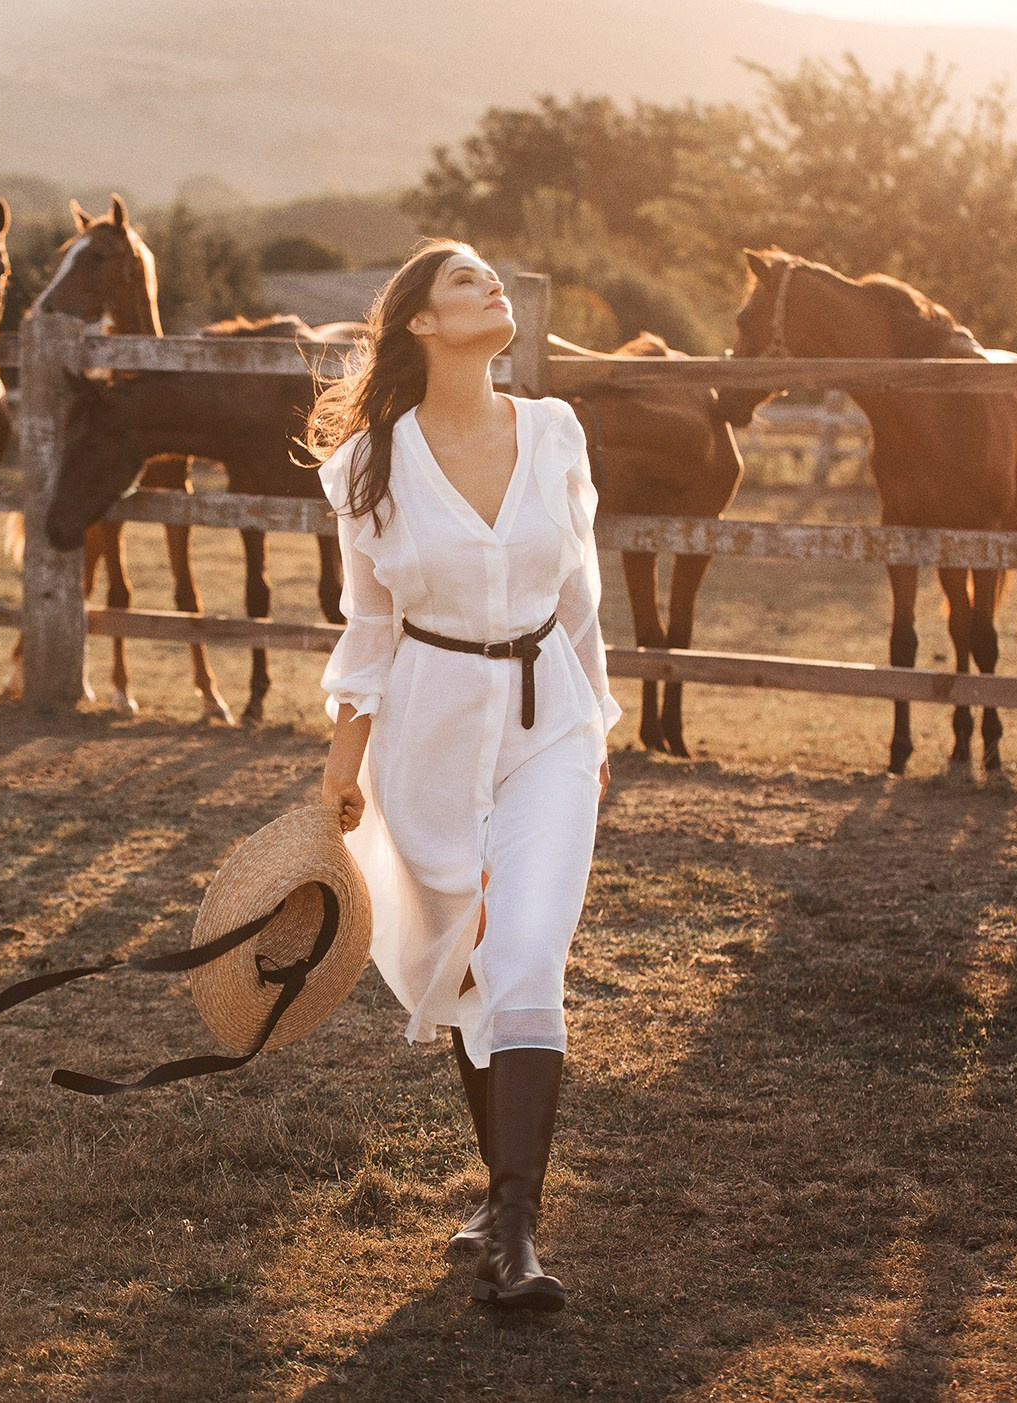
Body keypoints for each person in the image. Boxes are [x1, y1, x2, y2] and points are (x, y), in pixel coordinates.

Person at [307, 240, 621, 1313]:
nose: (491, 287)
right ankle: (501, 1200)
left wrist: (599, 716)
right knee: (460, 954)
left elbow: (579, 593)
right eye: (463, 282)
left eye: (491, 277)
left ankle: (516, 1230)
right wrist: (341, 767)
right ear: (421, 326)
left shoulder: (554, 431)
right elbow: (367, 624)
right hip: (429, 723)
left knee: (527, 947)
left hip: (547, 720)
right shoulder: (367, 466)